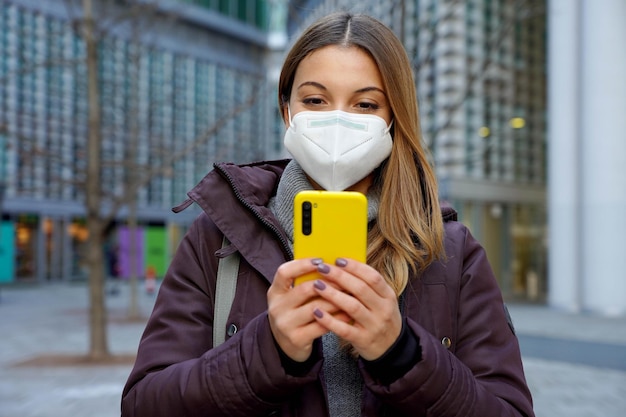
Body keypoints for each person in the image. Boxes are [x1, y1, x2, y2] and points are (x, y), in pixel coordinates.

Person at [121, 12, 535, 417]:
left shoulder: (450, 252)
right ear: (287, 110)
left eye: (366, 104)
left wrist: (403, 355)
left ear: (393, 119)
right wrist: (268, 350)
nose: (338, 120)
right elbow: (144, 404)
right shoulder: (219, 239)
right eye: (315, 100)